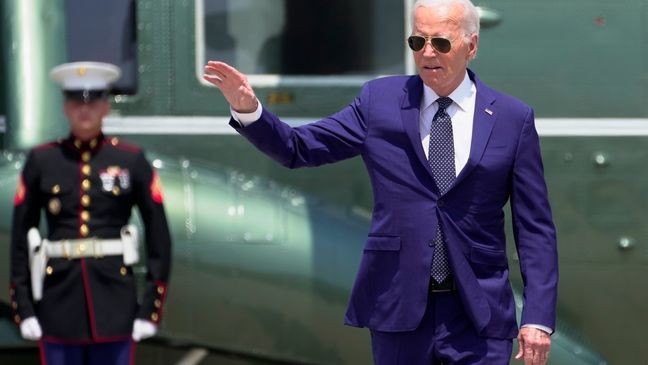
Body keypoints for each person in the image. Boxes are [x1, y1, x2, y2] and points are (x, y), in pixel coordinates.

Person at [204, 0, 558, 363]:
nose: (428, 53)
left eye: (441, 42)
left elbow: (535, 229)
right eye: (418, 43)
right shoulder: (380, 102)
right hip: (399, 306)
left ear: (471, 45)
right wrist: (248, 109)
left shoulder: (512, 119)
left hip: (477, 313)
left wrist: (538, 318)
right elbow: (300, 148)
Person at [9, 61, 172, 365]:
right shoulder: (42, 161)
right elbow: (21, 237)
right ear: (65, 108)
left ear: (105, 107)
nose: (84, 110)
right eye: (75, 102)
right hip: (58, 304)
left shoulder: (130, 160)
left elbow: (159, 235)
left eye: (93, 101)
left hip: (114, 305)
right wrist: (24, 308)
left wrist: (150, 307)